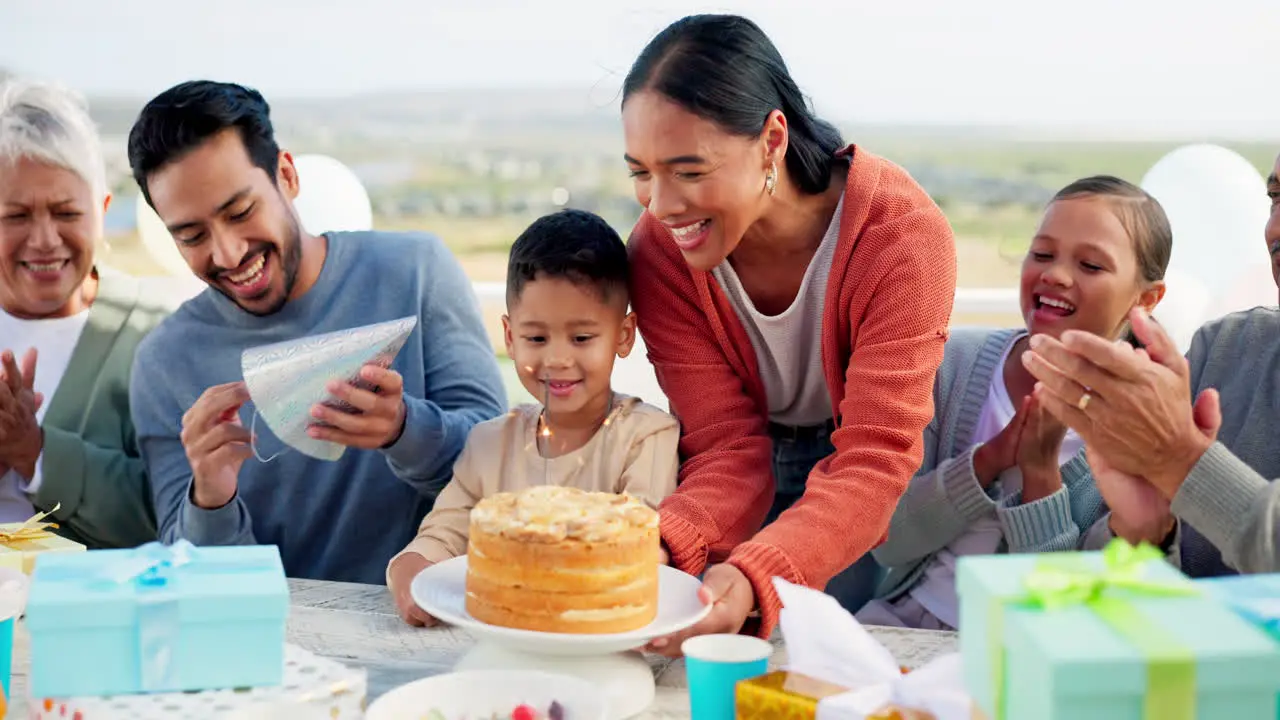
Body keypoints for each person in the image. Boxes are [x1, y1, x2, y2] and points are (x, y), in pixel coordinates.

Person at [622, 14, 958, 648]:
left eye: (689, 171)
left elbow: (873, 458)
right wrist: (663, 546)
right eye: (641, 172)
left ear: (771, 138)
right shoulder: (660, 253)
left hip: (856, 473)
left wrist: (758, 575)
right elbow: (724, 443)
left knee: (824, 658)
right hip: (729, 473)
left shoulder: (901, 238)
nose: (661, 205)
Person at [126, 80, 507, 584]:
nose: (228, 254)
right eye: (192, 236)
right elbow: (189, 573)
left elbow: (502, 474)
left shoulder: (417, 272)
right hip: (268, 643)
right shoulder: (164, 362)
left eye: (240, 213)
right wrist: (210, 497)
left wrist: (403, 430)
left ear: (286, 175)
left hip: (425, 623)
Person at [861, 176, 1171, 629]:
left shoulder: (1142, 430)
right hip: (900, 627)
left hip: (1023, 658)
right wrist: (986, 460)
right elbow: (888, 541)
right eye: (1042, 254)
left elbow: (1066, 616)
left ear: (1146, 299)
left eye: (1090, 265)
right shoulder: (951, 365)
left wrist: (1039, 472)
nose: (1055, 274)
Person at [385, 209, 680, 625]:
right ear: (509, 336)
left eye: (581, 338)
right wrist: (410, 575)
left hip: (599, 643)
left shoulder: (646, 438)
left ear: (624, 335)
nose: (557, 359)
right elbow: (442, 535)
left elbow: (634, 548)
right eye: (536, 338)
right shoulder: (490, 443)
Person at [1025, 154, 1280, 576]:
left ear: (1147, 298)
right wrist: (1146, 534)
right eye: (1276, 199)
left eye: (1091, 264)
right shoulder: (1220, 350)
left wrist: (1182, 462)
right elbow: (1104, 583)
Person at [0, 78, 165, 547]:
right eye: (16, 215)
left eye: (67, 213)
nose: (45, 239)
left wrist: (35, 452)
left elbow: (170, 516)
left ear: (103, 210)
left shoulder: (150, 333)